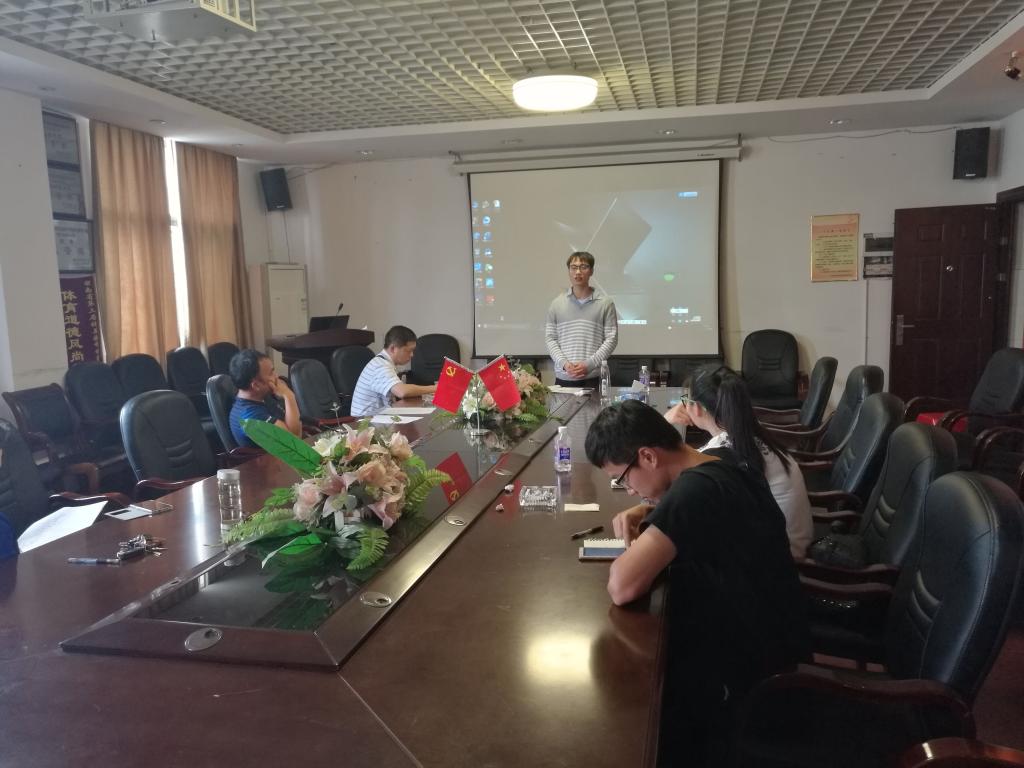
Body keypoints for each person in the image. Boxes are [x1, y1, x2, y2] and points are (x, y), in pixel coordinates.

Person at [585, 400, 810, 766]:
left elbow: (622, 586)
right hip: (778, 637)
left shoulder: (695, 493)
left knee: (637, 706)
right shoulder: (725, 460)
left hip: (748, 676)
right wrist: (650, 508)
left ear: (648, 456)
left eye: (623, 477)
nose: (628, 490)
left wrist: (656, 517)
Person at [665, 365, 813, 559]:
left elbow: (672, 485)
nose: (682, 406)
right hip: (791, 542)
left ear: (697, 408)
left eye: (685, 400)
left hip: (780, 558)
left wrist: (666, 422)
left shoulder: (721, 452)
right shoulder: (748, 431)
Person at [544, 251, 617, 388]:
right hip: (563, 378)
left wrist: (589, 364)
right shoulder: (556, 304)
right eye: (574, 267)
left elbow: (611, 339)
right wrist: (564, 364)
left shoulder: (605, 303)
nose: (578, 272)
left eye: (583, 267)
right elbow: (550, 339)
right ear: (569, 271)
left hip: (593, 378)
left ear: (591, 271)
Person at [349, 325, 437, 417]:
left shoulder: (384, 362)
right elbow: (402, 391)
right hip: (364, 421)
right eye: (408, 351)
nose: (412, 355)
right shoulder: (380, 366)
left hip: (378, 416)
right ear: (393, 348)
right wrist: (436, 388)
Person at [228, 349, 301, 448]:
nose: (276, 376)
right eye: (271, 373)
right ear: (256, 385)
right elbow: (296, 442)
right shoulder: (252, 418)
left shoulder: (261, 397)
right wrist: (288, 395)